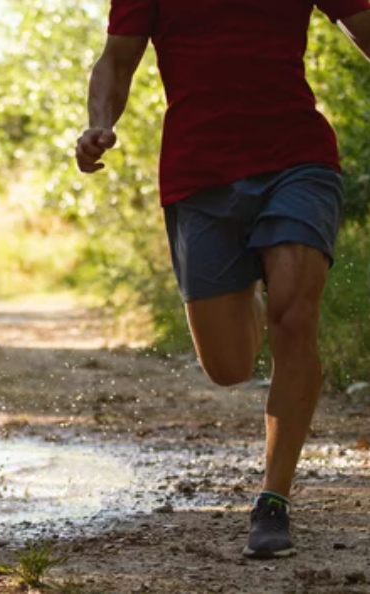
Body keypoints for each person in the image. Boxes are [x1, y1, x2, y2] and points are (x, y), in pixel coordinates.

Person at [76, 0, 370, 559]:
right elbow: (116, 61)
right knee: (229, 366)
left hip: (297, 160)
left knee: (296, 314)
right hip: (198, 176)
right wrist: (99, 124)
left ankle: (272, 501)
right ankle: (260, 281)